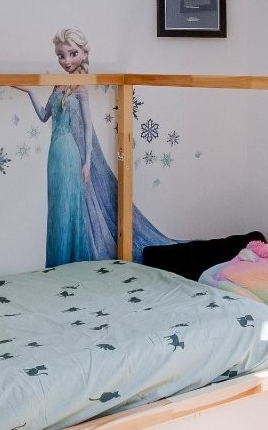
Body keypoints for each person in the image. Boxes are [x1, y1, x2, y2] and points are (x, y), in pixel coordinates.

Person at [16, 28, 169, 266]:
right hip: (55, 152)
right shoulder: (57, 86)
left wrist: (87, 161)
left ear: (83, 54)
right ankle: (57, 260)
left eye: (72, 53)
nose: (66, 61)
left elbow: (88, 128)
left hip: (70, 151)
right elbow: (44, 116)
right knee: (57, 205)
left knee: (71, 203)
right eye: (60, 55)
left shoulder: (80, 89)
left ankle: (73, 258)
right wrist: (29, 92)